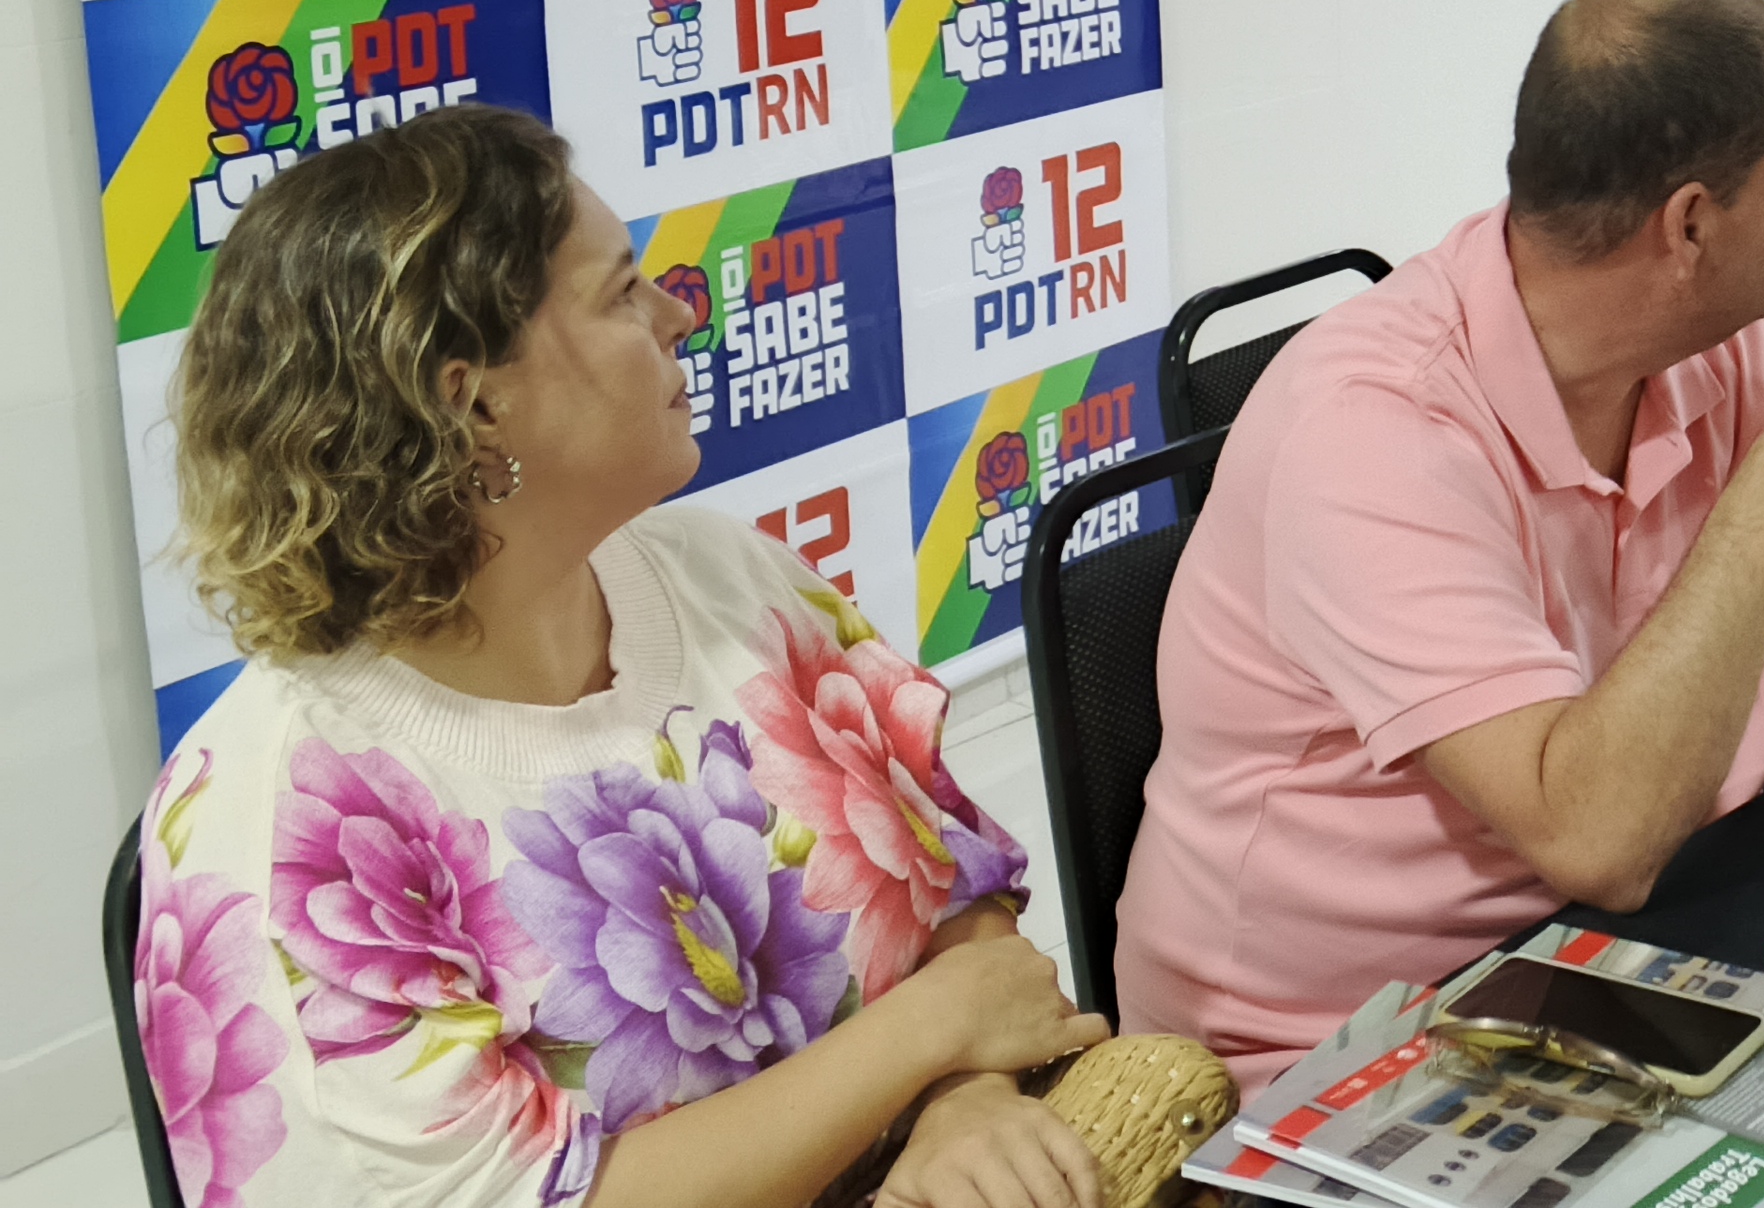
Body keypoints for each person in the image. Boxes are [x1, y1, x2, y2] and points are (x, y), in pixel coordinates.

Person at [132, 105, 1155, 1208]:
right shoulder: (288, 821)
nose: (679, 312)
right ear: (473, 403)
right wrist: (923, 1040)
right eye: (621, 292)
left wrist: (966, 1104)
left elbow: (960, 905)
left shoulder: (736, 582)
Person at [1118, 0, 1764, 1089]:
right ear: (1690, 223)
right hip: (1340, 1041)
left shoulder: (1715, 343)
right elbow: (1599, 841)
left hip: (1615, 938)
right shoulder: (1374, 432)